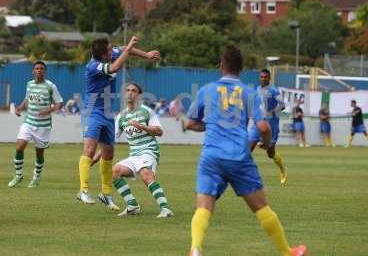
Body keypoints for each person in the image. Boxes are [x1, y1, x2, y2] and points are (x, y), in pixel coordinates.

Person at [183, 45, 307, 256]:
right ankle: (288, 252)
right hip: (239, 157)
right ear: (241, 68)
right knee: (261, 208)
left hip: (211, 156)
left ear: (221, 65)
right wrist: (268, 145)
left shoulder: (206, 90)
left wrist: (211, 125)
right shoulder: (250, 93)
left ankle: (196, 249)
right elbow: (263, 127)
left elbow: (189, 124)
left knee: (203, 207)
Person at [77, 36, 160, 208]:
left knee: (108, 153)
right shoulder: (93, 66)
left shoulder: (111, 53)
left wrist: (146, 55)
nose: (112, 50)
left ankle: (105, 194)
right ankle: (83, 191)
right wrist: (129, 49)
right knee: (90, 149)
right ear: (102, 55)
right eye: (109, 50)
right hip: (92, 111)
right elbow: (115, 66)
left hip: (107, 113)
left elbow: (121, 49)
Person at [112, 83, 173, 218]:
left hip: (149, 151)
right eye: (127, 90)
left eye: (133, 91)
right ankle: (132, 205)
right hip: (134, 155)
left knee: (146, 174)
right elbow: (112, 139)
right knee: (115, 171)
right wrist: (97, 156)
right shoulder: (121, 116)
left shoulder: (147, 111)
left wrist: (141, 126)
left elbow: (159, 131)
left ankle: (165, 209)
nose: (130, 93)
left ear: (138, 95)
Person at [8, 61, 63, 188]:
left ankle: (36, 178)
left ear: (45, 71)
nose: (39, 70)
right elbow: (27, 99)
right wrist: (19, 108)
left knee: (39, 153)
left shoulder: (50, 86)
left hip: (43, 126)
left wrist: (48, 110)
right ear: (33, 71)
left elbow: (59, 103)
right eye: (37, 68)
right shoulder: (29, 84)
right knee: (19, 147)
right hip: (28, 122)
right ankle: (18, 175)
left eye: (41, 68)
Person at [248, 69, 287, 185]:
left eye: (265, 77)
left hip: (272, 124)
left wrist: (272, 111)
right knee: (248, 148)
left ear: (269, 78)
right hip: (259, 122)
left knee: (270, 153)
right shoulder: (258, 89)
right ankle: (247, 176)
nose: (263, 79)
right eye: (261, 77)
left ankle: (283, 170)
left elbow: (283, 105)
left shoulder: (274, 91)